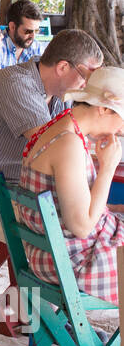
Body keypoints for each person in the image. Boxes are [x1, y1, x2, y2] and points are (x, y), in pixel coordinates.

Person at [0, 28, 104, 240]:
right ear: (62, 67)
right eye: (86, 76)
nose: (87, 85)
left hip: (24, 191)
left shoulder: (60, 94)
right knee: (74, 233)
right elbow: (51, 146)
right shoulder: (15, 83)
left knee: (99, 224)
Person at [17, 67, 124, 302]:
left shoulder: (61, 127)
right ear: (104, 109)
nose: (122, 130)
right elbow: (82, 227)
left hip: (52, 250)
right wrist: (107, 168)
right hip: (70, 261)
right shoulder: (69, 143)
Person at [0, 0, 48, 69]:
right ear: (12, 27)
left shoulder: (37, 47)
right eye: (28, 31)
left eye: (36, 31)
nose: (33, 36)